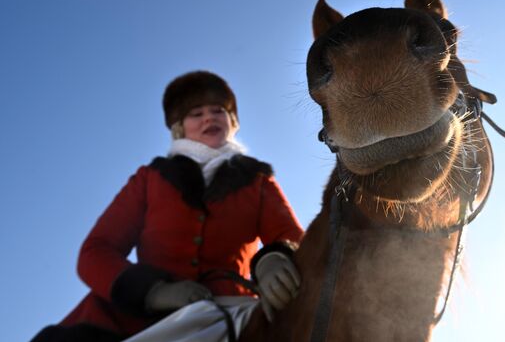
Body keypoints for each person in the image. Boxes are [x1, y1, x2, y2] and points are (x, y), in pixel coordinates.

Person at [31, 71, 304, 342]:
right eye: (196, 113)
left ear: (232, 122)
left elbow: (290, 237)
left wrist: (275, 259)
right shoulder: (151, 178)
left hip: (232, 313)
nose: (209, 117)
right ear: (179, 128)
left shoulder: (258, 181)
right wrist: (154, 292)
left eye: (218, 110)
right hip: (132, 320)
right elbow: (95, 252)